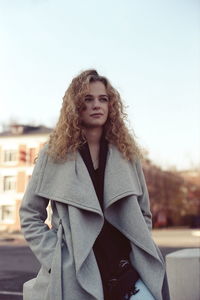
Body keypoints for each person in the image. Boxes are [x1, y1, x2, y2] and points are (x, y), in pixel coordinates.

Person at [19, 69, 170, 300]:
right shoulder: (54, 155)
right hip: (77, 271)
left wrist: (137, 251)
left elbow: (143, 213)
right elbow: (30, 215)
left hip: (126, 269)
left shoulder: (128, 155)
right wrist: (56, 258)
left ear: (111, 106)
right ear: (75, 106)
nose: (96, 105)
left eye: (103, 99)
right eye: (88, 99)